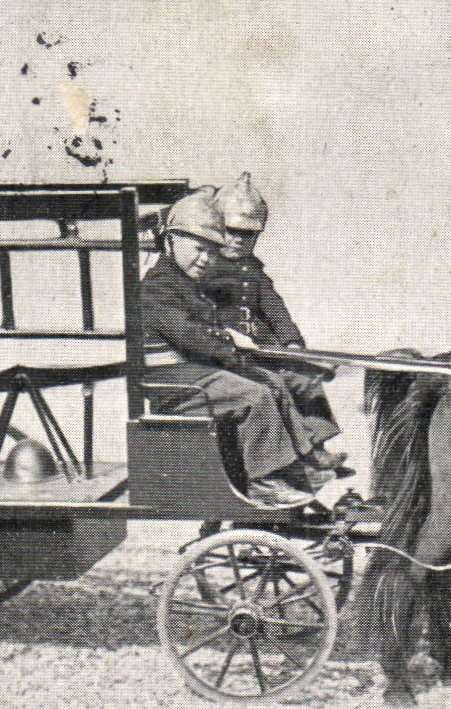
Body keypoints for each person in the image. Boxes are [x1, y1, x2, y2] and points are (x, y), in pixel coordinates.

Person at [139, 187, 339, 505]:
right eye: (197, 249)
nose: (205, 259)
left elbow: (212, 328)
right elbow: (193, 336)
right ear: (169, 241)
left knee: (271, 381)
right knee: (255, 393)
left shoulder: (185, 283)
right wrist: (233, 351)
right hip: (174, 382)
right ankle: (262, 480)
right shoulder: (157, 286)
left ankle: (296, 464)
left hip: (193, 374)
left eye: (211, 251)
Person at [206, 172, 344, 470]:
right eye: (233, 231)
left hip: (262, 350)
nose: (240, 240)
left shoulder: (252, 270)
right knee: (275, 385)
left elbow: (275, 308)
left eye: (249, 234)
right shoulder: (203, 268)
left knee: (306, 380)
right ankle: (295, 457)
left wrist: (292, 342)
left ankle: (317, 444)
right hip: (226, 357)